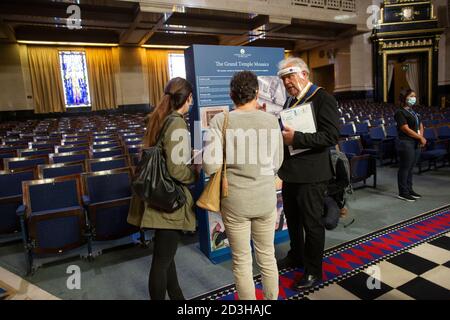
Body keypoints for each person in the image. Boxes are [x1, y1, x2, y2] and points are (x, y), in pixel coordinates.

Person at [203, 71, 284, 300]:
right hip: (265, 199)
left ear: (231, 94)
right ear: (257, 93)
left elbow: (210, 167)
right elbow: (277, 162)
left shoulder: (221, 120)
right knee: (267, 256)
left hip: (235, 202)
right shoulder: (270, 120)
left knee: (241, 261)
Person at [127, 77, 200, 300]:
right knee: (161, 262)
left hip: (158, 198)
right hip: (169, 201)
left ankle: (178, 297)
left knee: (165, 258)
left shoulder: (162, 118)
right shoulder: (177, 122)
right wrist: (195, 172)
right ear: (188, 98)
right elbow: (177, 170)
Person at [276, 57, 340, 290]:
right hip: (291, 173)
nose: (287, 83)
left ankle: (313, 271)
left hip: (312, 175)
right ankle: (297, 255)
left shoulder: (323, 98)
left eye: (290, 76)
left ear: (304, 73)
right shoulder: (291, 101)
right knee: (292, 220)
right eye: (283, 79)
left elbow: (331, 136)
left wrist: (298, 138)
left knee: (312, 224)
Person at [394, 89, 425, 202]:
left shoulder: (414, 112)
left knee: (411, 168)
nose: (414, 98)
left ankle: (409, 189)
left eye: (415, 96)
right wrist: (420, 138)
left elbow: (420, 125)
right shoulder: (400, 112)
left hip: (415, 142)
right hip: (406, 142)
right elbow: (405, 129)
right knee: (405, 168)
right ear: (405, 97)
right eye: (411, 96)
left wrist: (420, 137)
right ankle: (403, 192)